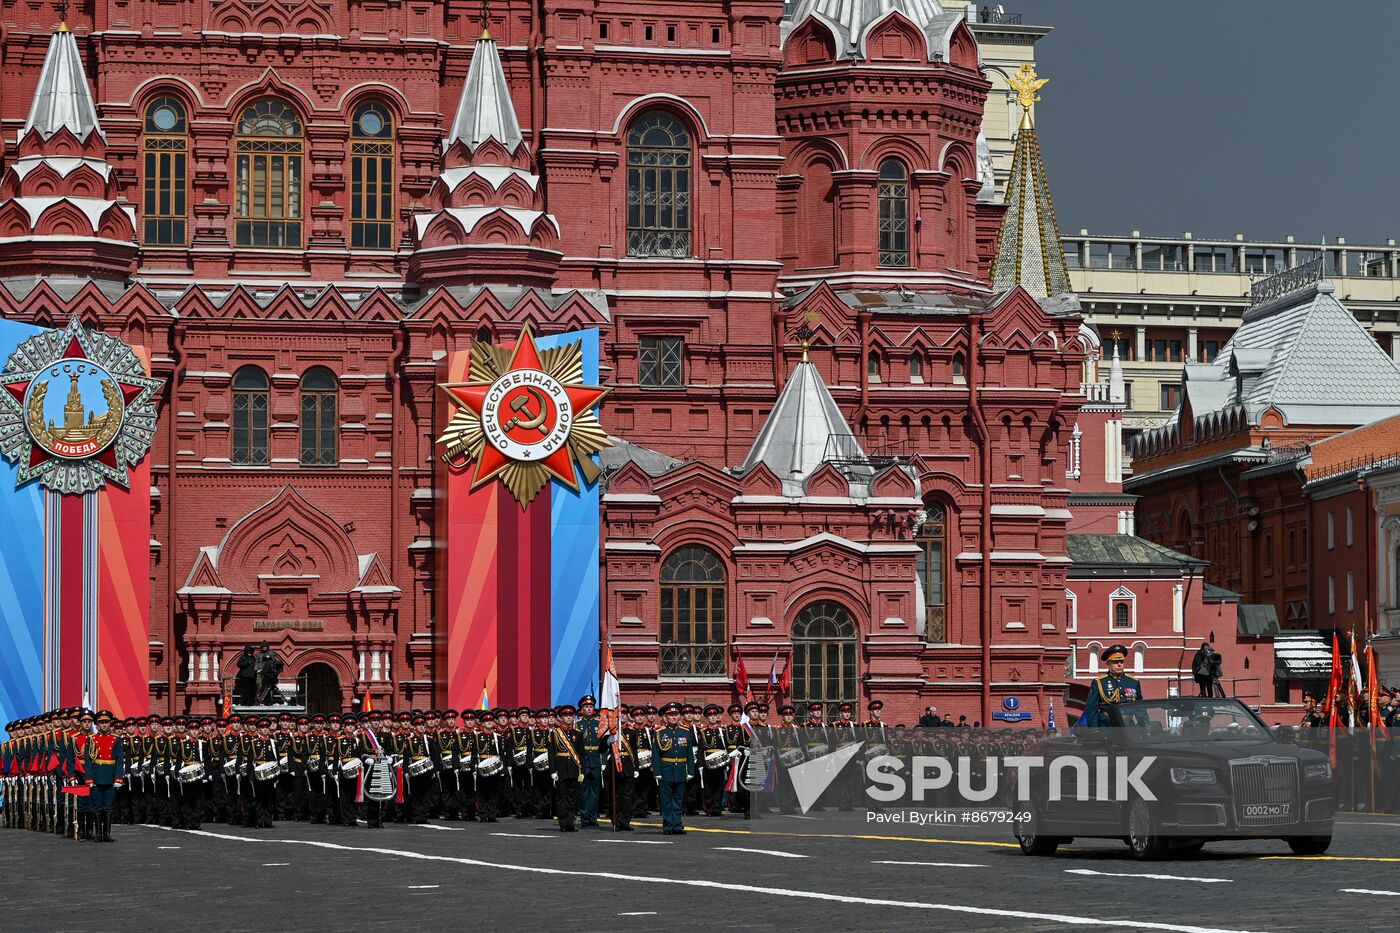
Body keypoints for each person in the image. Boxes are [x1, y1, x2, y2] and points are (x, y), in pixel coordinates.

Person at [82, 711, 125, 843]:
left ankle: (107, 834)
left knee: (108, 807)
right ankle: (98, 834)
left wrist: (118, 778)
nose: (104, 725)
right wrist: (89, 778)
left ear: (110, 724)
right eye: (101, 723)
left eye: (106, 722)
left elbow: (119, 760)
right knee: (97, 807)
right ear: (97, 725)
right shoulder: (91, 739)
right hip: (97, 776)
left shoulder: (116, 739)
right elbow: (88, 761)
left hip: (110, 776)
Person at [653, 702, 696, 835]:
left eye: (676, 714)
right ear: (665, 717)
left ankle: (677, 825)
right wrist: (657, 771)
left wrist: (690, 771)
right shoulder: (659, 732)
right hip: (665, 770)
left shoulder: (685, 732)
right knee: (666, 801)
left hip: (681, 770)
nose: (674, 717)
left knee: (678, 799)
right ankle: (667, 826)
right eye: (671, 715)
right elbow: (655, 754)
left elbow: (689, 753)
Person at [1079, 645, 1143, 729]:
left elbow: (1140, 708)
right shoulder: (1099, 682)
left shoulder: (1133, 682)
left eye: (1121, 662)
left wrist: (1146, 726)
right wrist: (1094, 730)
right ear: (1108, 664)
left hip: (1128, 726)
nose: (1119, 664)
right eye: (1115, 662)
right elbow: (1092, 708)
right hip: (1107, 726)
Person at [548, 705, 584, 831]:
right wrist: (553, 770)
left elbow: (581, 754)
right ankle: (563, 823)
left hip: (573, 769)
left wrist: (582, 770)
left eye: (570, 715)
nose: (568, 717)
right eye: (565, 715)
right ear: (561, 718)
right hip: (561, 768)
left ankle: (571, 823)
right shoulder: (555, 734)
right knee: (561, 797)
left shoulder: (577, 734)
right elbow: (551, 754)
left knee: (572, 797)